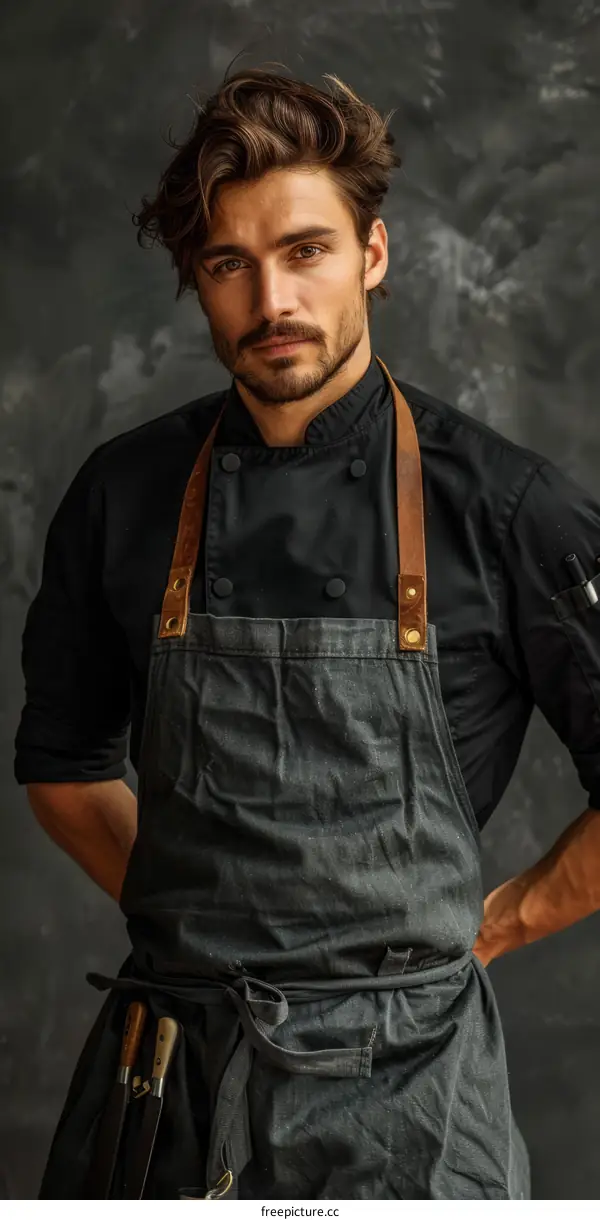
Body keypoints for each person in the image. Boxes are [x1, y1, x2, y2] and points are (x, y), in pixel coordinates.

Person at [14, 65, 600, 1202]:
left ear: (372, 255)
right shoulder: (123, 495)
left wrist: (500, 919)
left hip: (412, 1102)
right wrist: (200, 916)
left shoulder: (508, 506)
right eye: (231, 264)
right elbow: (63, 767)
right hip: (167, 1086)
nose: (272, 299)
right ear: (198, 281)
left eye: (307, 251)